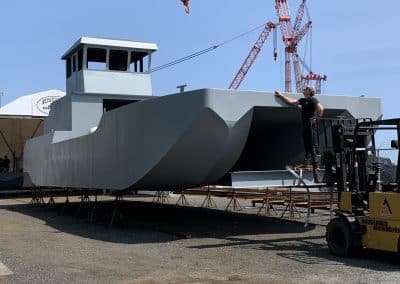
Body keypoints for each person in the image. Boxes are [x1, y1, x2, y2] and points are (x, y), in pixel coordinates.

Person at [275, 86, 324, 164]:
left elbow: (321, 109)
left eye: (305, 89)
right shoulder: (302, 100)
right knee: (306, 142)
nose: (303, 90)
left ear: (309, 91)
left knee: (313, 142)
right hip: (305, 124)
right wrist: (281, 96)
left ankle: (317, 161)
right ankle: (308, 159)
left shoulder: (312, 99)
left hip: (312, 125)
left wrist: (316, 119)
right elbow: (291, 102)